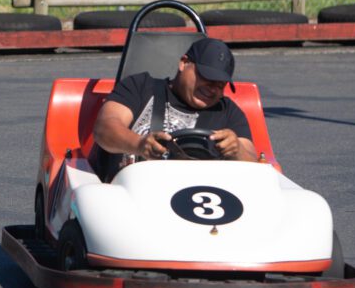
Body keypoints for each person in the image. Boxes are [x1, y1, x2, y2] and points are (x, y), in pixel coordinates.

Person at [92, 37, 256, 181]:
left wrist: (237, 151)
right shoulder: (140, 87)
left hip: (195, 201)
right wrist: (139, 144)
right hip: (128, 194)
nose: (213, 89)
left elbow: (254, 165)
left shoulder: (228, 112)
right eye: (207, 78)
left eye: (221, 85)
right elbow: (104, 128)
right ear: (184, 63)